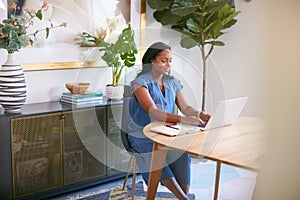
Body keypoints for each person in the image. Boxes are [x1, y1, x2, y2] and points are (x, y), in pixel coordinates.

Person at [127, 42, 211, 199]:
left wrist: (202, 114)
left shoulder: (172, 82)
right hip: (142, 134)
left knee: (182, 153)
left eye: (170, 60)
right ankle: (183, 198)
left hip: (166, 131)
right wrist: (183, 119)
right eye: (163, 60)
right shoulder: (141, 83)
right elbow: (153, 111)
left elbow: (186, 108)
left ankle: (183, 196)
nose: (168, 64)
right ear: (152, 60)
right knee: (154, 154)